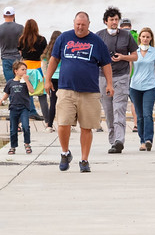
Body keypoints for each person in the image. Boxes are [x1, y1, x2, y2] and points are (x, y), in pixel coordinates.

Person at [46, 11, 115, 172]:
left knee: (86, 127)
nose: (80, 27)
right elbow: (54, 59)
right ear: (74, 23)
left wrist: (109, 84)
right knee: (63, 123)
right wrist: (47, 79)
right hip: (66, 89)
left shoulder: (97, 42)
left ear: (89, 24)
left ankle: (84, 160)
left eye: (83, 25)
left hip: (89, 91)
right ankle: (65, 153)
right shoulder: (64, 38)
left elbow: (106, 64)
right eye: (77, 24)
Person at [101, 7, 136, 154]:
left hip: (122, 76)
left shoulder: (127, 36)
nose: (115, 22)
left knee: (119, 108)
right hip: (103, 77)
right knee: (109, 111)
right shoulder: (99, 36)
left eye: (117, 20)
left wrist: (122, 57)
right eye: (112, 20)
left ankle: (119, 140)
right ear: (106, 21)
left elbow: (135, 56)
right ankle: (112, 140)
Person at [128, 26, 155, 151]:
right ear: (139, 38)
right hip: (135, 86)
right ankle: (142, 140)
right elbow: (130, 69)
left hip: (150, 87)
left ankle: (148, 139)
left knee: (147, 114)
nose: (145, 39)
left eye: (148, 37)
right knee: (139, 116)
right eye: (143, 36)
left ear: (151, 38)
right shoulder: (134, 51)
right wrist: (127, 83)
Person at [17, 19, 50, 126]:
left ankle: (21, 122)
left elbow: (20, 53)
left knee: (24, 95)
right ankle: (47, 122)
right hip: (38, 69)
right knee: (42, 96)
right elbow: (45, 53)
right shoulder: (42, 39)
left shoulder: (22, 39)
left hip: (25, 68)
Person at [1, 62, 35, 154]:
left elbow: (32, 91)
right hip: (13, 107)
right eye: (22, 69)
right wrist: (2, 100)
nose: (25, 71)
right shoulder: (10, 82)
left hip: (24, 107)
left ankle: (27, 143)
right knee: (13, 128)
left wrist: (27, 80)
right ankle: (13, 146)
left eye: (25, 70)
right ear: (16, 71)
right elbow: (7, 93)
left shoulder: (26, 82)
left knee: (25, 126)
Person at [0, 7, 24, 86]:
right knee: (22, 82)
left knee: (10, 83)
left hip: (6, 58)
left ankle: (12, 98)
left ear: (3, 15)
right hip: (18, 57)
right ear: (14, 15)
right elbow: (24, 43)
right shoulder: (20, 28)